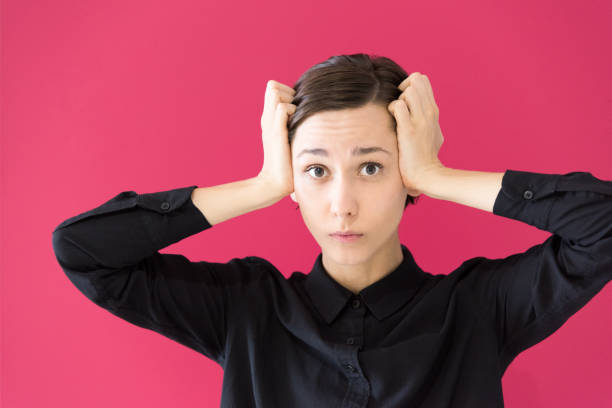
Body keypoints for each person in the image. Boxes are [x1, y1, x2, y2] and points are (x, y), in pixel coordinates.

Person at [51, 53, 612, 407]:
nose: (342, 206)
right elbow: (83, 250)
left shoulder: (478, 309)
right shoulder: (244, 308)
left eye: (372, 167)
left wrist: (437, 175)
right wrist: (265, 184)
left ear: (405, 172)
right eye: (316, 171)